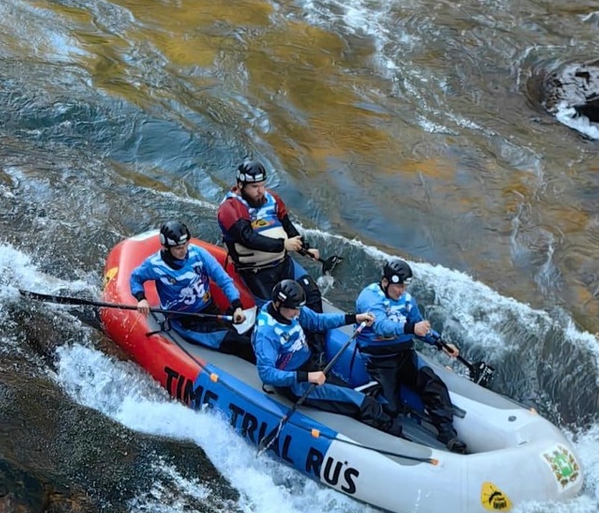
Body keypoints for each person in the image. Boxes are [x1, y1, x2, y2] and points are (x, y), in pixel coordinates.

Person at [254, 280, 401, 435]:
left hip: (312, 367)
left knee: (356, 395)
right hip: (297, 384)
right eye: (294, 310)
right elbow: (266, 374)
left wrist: (355, 318)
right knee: (364, 404)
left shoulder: (291, 310)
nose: (297, 313)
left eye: (298, 309)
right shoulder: (267, 334)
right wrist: (308, 376)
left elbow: (317, 321)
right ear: (278, 304)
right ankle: (396, 437)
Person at [355, 258, 467, 453]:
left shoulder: (407, 300)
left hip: (404, 354)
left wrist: (440, 343)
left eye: (404, 286)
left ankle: (448, 434)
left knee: (434, 385)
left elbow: (419, 325)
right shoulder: (369, 298)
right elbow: (382, 327)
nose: (401, 291)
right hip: (378, 358)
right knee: (390, 407)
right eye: (397, 286)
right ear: (385, 282)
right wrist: (411, 327)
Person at [130, 220, 254, 361]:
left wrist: (237, 305)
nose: (184, 250)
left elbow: (223, 280)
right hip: (184, 319)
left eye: (185, 245)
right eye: (178, 248)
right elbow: (135, 278)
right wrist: (141, 298)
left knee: (247, 335)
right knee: (240, 344)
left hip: (209, 309)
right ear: (166, 247)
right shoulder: (154, 265)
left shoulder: (198, 254)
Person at [217, 159, 323, 313]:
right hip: (256, 273)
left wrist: (305, 248)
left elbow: (287, 227)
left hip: (284, 264)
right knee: (274, 312)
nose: (260, 191)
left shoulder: (273, 199)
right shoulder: (229, 209)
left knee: (312, 294)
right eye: (254, 187)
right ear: (240, 185)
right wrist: (283, 245)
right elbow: (248, 238)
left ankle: (316, 335)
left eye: (262, 185)